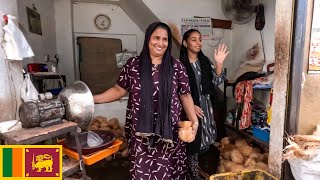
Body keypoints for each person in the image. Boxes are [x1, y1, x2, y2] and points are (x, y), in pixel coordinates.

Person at [94, 22, 198, 180]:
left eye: (165, 39)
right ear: (148, 39)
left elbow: (185, 95)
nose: (160, 43)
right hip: (141, 135)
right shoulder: (133, 65)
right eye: (157, 38)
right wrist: (92, 99)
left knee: (168, 173)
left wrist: (194, 121)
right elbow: (118, 90)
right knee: (142, 173)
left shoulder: (177, 67)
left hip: (169, 133)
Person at [179, 29, 229, 179]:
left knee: (206, 141)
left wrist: (219, 63)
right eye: (193, 39)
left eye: (200, 39)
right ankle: (191, 174)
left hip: (206, 107)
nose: (198, 42)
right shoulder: (179, 65)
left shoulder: (205, 61)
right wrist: (190, 106)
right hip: (189, 110)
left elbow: (216, 81)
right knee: (191, 143)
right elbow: (174, 91)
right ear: (185, 43)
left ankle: (202, 172)